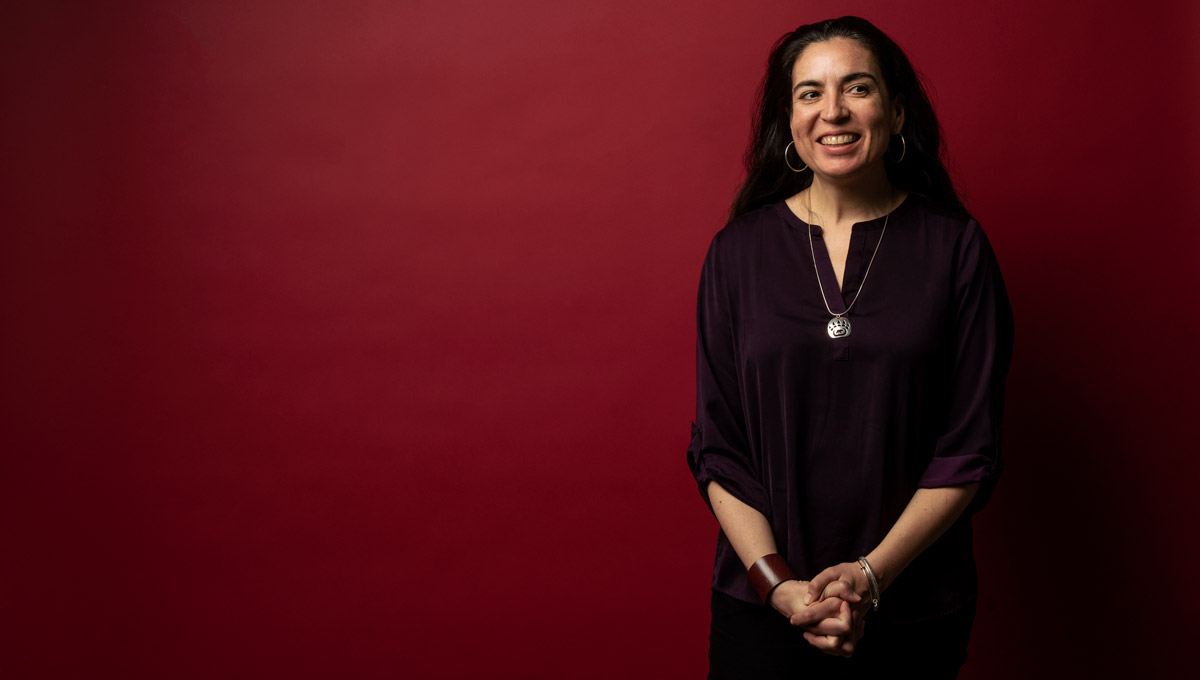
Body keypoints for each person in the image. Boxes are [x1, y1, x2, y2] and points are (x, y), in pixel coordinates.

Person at [686, 16, 1013, 678]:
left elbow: (968, 450)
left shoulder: (957, 250)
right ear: (790, 122)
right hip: (765, 607)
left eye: (856, 88)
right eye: (809, 93)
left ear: (895, 114)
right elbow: (720, 450)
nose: (832, 110)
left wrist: (869, 577)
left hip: (916, 611)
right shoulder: (735, 255)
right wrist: (780, 587)